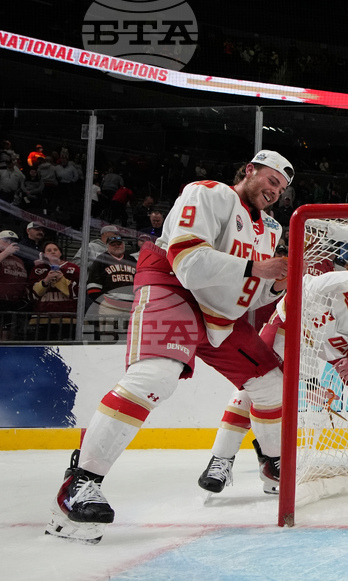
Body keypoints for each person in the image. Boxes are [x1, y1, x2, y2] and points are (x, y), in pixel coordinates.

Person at [46, 150, 293, 544]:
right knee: (155, 376)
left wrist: (277, 284)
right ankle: (81, 482)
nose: (275, 191)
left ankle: (272, 464)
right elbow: (188, 262)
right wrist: (256, 269)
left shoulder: (272, 230)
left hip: (220, 313)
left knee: (270, 382)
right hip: (173, 287)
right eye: (271, 180)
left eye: (281, 188)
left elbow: (251, 292)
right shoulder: (208, 193)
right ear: (249, 170)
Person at [198, 271, 348, 493]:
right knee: (257, 386)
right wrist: (311, 385)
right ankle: (222, 459)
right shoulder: (337, 293)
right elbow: (303, 335)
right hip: (293, 324)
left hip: (344, 342)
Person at [85, 235, 136, 338]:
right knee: (108, 337)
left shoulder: (132, 260)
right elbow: (93, 285)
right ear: (108, 246)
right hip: (109, 306)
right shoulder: (101, 260)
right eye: (113, 245)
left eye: (119, 244)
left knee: (129, 338)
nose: (117, 246)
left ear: (123, 245)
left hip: (130, 307)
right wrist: (101, 302)